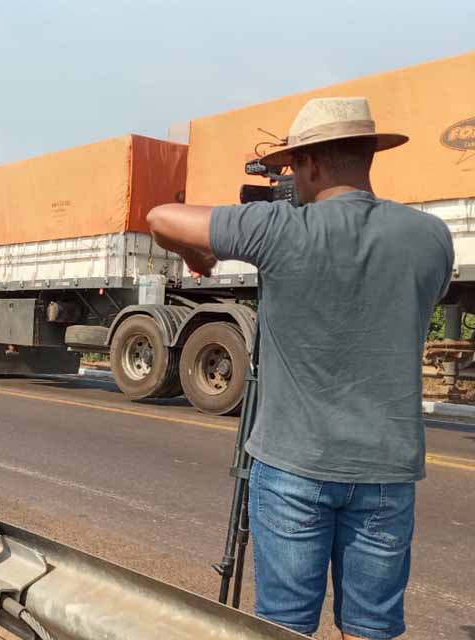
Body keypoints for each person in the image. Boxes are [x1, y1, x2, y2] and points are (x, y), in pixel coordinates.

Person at [147, 97, 454, 639]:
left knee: (284, 628)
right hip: (386, 471)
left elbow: (160, 218)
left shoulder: (279, 228)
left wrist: (200, 260)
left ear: (310, 164)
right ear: (367, 156)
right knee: (372, 628)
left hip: (293, 469)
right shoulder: (431, 237)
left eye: (292, 168)